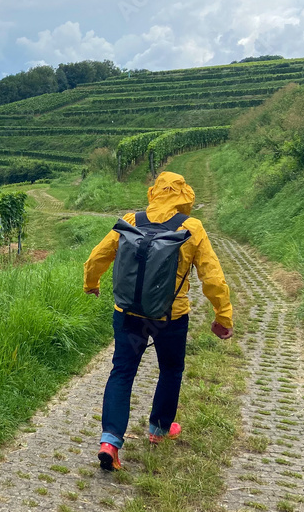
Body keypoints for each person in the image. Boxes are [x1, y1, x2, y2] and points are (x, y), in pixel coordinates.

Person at [83, 171, 233, 471]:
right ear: (185, 197)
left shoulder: (132, 219)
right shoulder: (192, 227)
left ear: (154, 193)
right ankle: (159, 430)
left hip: (127, 313)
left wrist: (91, 282)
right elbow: (212, 276)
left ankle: (110, 442)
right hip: (169, 316)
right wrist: (223, 315)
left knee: (122, 372)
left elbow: (99, 255)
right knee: (171, 368)